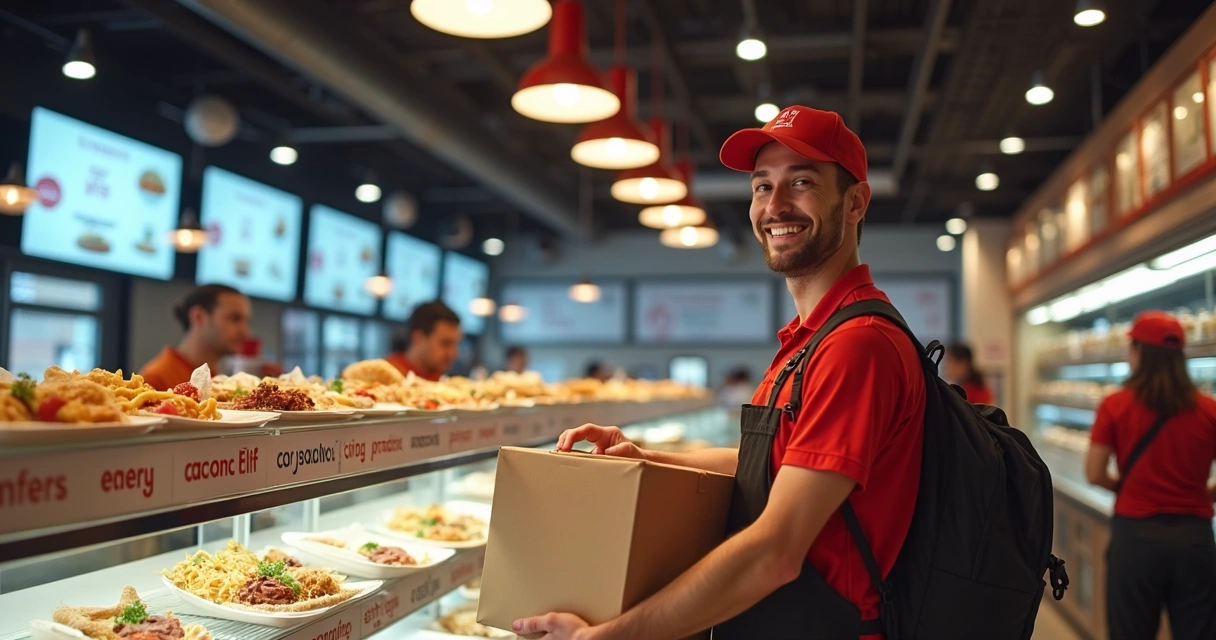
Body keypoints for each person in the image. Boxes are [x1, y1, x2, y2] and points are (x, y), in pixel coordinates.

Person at [514, 106, 925, 639]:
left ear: (855, 202)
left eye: (801, 182)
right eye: (762, 186)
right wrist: (647, 459)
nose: (775, 206)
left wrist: (604, 637)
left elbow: (774, 554)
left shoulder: (856, 345)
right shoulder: (809, 339)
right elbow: (773, 467)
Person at [1085, 310, 1216, 640]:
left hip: (1136, 538)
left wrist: (1127, 487)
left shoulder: (1115, 405)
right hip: (1195, 539)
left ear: (1139, 351)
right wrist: (1204, 493)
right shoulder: (1209, 409)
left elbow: (1094, 472)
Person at [138, 284, 252, 390]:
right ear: (199, 317)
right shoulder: (155, 380)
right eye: (234, 318)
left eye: (246, 321)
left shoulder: (214, 378)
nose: (245, 332)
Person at [385, 301, 462, 381]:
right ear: (418, 338)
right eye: (445, 343)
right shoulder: (386, 377)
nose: (453, 354)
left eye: (456, 344)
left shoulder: (442, 382)